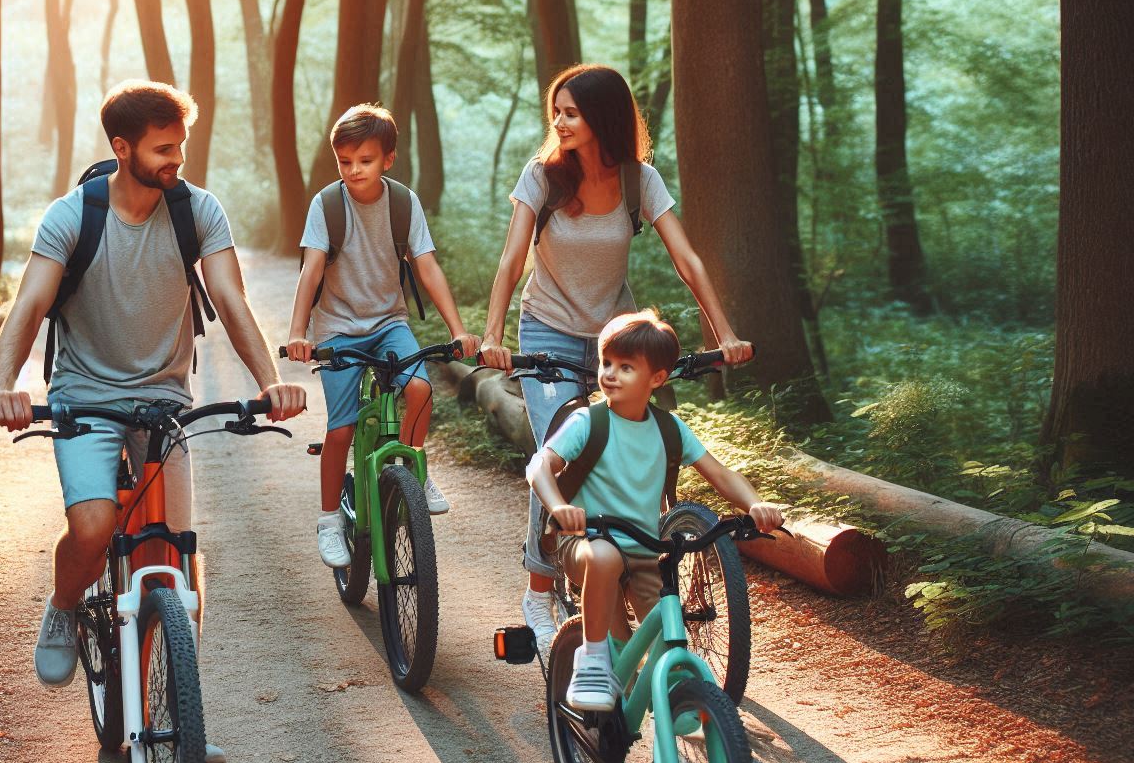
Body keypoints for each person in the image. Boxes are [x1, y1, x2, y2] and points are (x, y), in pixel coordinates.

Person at [0, 81, 306, 763]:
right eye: (163, 148)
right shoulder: (73, 217)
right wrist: (1, 384)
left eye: (180, 144)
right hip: (83, 396)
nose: (176, 159)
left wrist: (266, 381)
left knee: (173, 559)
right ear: (122, 148)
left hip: (163, 399)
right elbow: (30, 304)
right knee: (96, 527)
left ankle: (177, 717)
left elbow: (230, 298)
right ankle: (66, 603)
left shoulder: (197, 211)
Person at [478, 64, 753, 655]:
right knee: (556, 445)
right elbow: (511, 259)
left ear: (602, 118)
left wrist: (724, 332)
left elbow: (688, 259)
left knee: (651, 441)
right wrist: (492, 334)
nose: (559, 121)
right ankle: (539, 585)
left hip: (617, 335)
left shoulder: (639, 181)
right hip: (548, 329)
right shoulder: (542, 178)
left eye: (571, 112)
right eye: (557, 110)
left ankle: (643, 569)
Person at [526, 310, 783, 711]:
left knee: (660, 654)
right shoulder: (586, 422)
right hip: (587, 546)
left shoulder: (668, 429)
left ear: (657, 379)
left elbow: (719, 473)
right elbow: (539, 466)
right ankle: (591, 661)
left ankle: (674, 713)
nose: (610, 373)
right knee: (607, 570)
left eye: (626, 367)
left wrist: (754, 503)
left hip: (644, 554)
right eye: (607, 362)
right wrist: (558, 507)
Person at [285, 104, 479, 566]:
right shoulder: (326, 205)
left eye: (365, 161)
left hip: (389, 322)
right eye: (344, 162)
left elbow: (426, 265)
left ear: (388, 159)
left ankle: (414, 462)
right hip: (337, 330)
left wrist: (459, 330)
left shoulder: (403, 203)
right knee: (342, 427)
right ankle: (330, 518)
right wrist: (298, 332)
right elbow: (311, 270)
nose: (354, 171)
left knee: (419, 387)